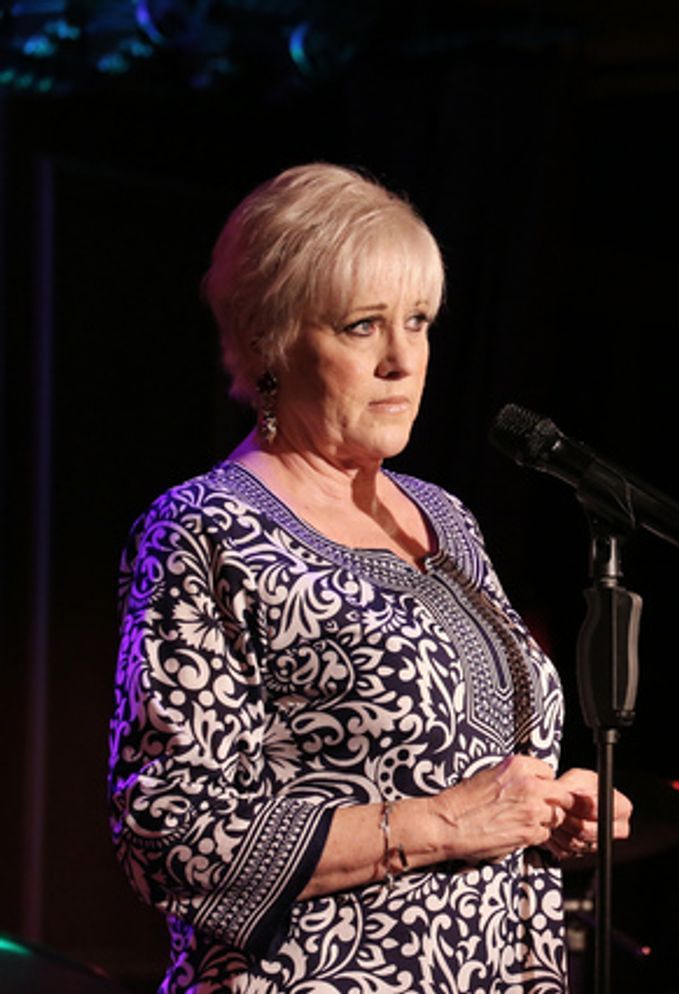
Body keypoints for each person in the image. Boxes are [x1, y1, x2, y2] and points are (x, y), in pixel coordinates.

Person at [108, 163, 631, 993]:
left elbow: (464, 771)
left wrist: (543, 816)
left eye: (418, 322)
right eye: (361, 327)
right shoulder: (207, 528)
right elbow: (169, 837)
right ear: (270, 340)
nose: (401, 361)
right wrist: (444, 822)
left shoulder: (446, 518)